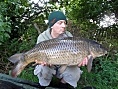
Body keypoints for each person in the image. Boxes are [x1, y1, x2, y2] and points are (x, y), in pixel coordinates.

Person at [34, 11, 89, 89]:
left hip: (64, 65)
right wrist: (40, 60)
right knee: (42, 69)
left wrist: (78, 60)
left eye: (65, 23)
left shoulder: (68, 36)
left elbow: (73, 55)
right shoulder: (42, 37)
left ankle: (63, 83)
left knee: (75, 72)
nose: (64, 26)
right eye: (60, 23)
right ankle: (45, 84)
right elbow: (37, 57)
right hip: (49, 66)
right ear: (52, 25)